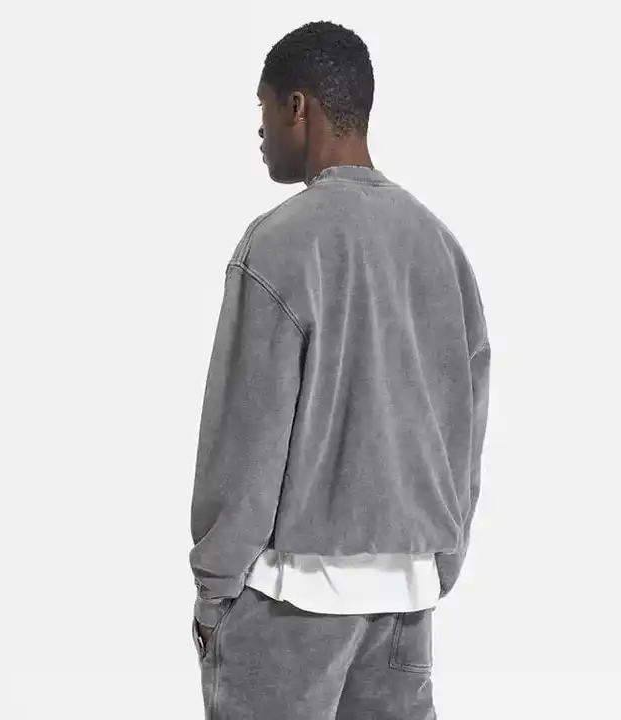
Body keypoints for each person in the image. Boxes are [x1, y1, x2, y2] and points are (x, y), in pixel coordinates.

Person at [189, 19, 491, 719]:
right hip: (406, 606)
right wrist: (439, 561)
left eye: (264, 107)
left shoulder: (281, 244)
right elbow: (467, 427)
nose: (260, 129)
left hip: (288, 606)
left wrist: (215, 589)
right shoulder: (440, 246)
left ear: (298, 106)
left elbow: (246, 440)